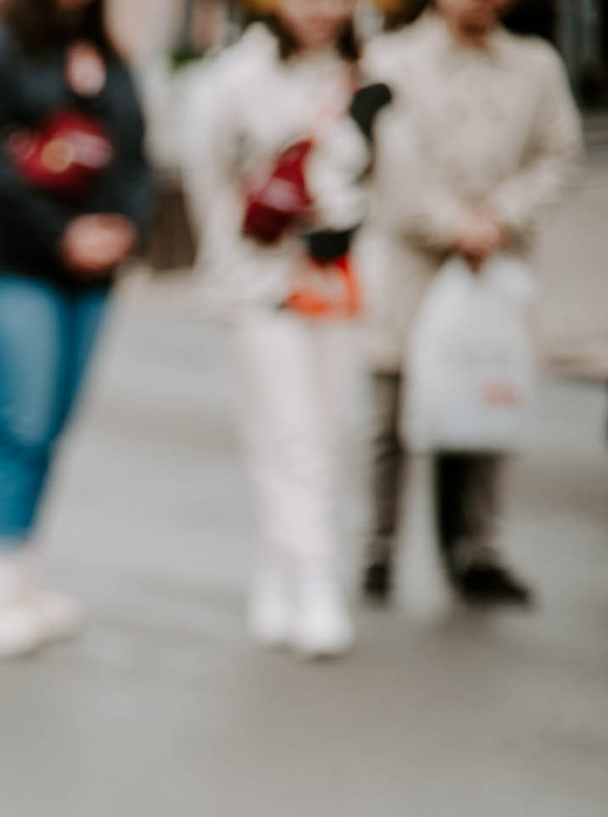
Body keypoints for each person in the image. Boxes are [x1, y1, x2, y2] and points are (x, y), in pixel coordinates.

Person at [358, 0, 579, 609]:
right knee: (393, 406)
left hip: (497, 263)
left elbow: (559, 155)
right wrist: (453, 223)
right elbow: (387, 160)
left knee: (485, 395)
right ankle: (378, 546)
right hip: (414, 261)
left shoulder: (535, 65)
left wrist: (499, 219)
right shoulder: (393, 60)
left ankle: (476, 547)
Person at [0, 0, 149, 658]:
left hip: (88, 279)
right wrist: (63, 234)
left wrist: (123, 229)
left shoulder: (108, 56)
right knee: (20, 423)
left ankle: (22, 572)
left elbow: (137, 159)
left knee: (53, 426)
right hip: (9, 268)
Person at [188, 0, 384, 658]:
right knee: (288, 427)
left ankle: (279, 560)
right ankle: (315, 575)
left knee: (324, 429)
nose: (323, 10)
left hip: (338, 282)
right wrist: (229, 271)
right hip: (262, 280)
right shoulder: (235, 79)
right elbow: (208, 177)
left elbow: (385, 179)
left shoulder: (368, 76)